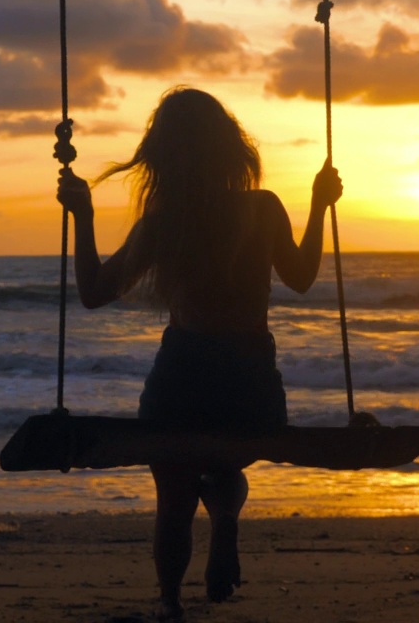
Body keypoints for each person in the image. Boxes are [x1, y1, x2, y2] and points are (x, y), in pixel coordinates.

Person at [56, 86, 342, 621]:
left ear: (161, 157)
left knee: (176, 492)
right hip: (250, 387)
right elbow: (302, 278)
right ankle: (227, 518)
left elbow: (94, 292)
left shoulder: (164, 223)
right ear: (230, 146)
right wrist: (319, 206)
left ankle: (169, 603)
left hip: (181, 382)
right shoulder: (262, 208)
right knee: (229, 456)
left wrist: (84, 217)